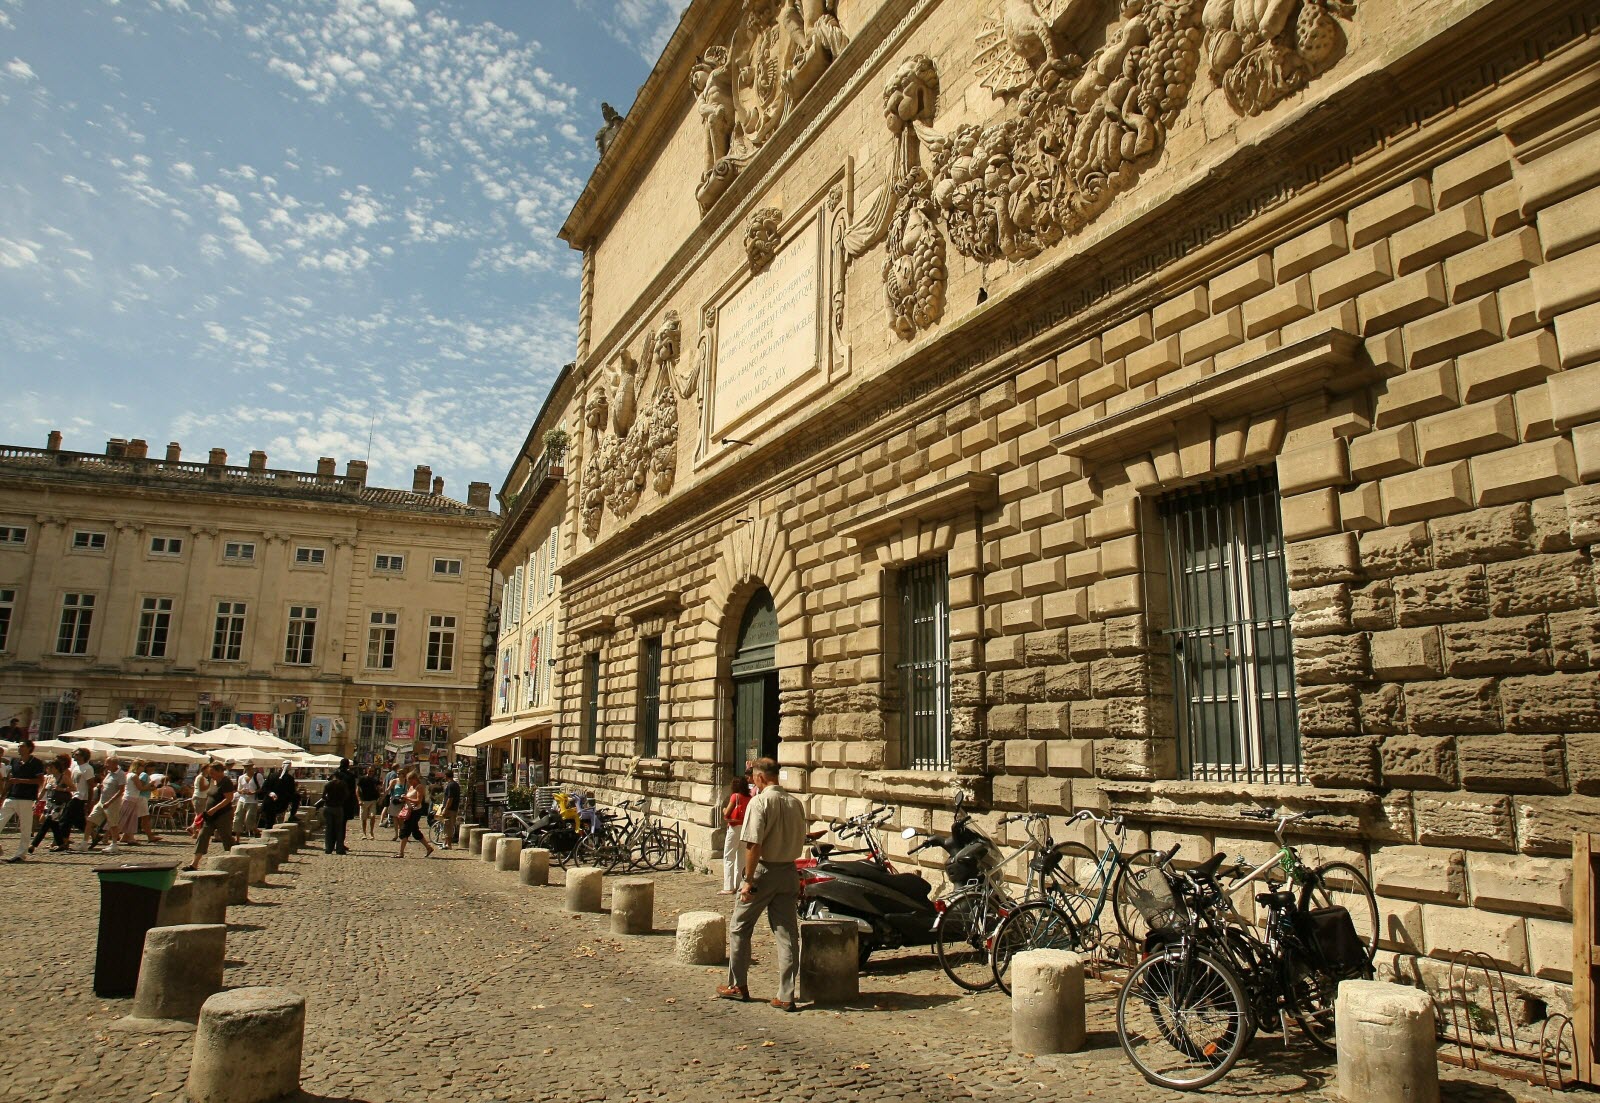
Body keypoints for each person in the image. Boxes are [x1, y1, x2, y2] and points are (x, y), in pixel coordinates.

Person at [717, 757, 806, 1010]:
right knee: (787, 934)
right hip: (789, 871)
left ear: (759, 778)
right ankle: (786, 994)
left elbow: (753, 844)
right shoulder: (795, 803)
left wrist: (748, 880)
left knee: (740, 927)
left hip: (764, 871)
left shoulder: (760, 802)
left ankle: (738, 985)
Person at [0, 739, 46, 862]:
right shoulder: (15, 761)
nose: (19, 748)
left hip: (27, 798)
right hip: (12, 796)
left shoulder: (36, 763)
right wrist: (3, 795)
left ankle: (21, 854)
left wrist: (20, 781)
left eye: (22, 746)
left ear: (29, 748)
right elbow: (10, 780)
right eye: (19, 746)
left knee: (25, 828)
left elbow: (40, 781)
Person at [188, 763, 236, 870]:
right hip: (209, 815)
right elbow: (209, 795)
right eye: (210, 773)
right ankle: (194, 863)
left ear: (220, 771)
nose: (211, 775)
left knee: (226, 837)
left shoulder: (226, 782)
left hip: (222, 814)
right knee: (202, 835)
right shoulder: (212, 781)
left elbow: (228, 798)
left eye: (213, 773)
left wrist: (214, 809)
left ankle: (236, 860)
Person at [29, 758, 71, 853]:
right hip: (49, 803)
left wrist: (61, 789)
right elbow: (43, 790)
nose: (49, 769)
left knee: (47, 822)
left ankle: (33, 844)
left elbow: (73, 788)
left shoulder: (63, 777)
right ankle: (61, 844)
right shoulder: (48, 778)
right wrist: (37, 801)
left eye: (51, 767)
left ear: (57, 768)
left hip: (59, 804)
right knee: (54, 824)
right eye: (48, 767)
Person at [719, 774, 752, 895]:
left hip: (734, 827)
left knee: (729, 856)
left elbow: (727, 813)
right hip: (745, 828)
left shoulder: (735, 796)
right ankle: (738, 885)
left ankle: (728, 886)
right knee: (741, 857)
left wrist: (723, 810)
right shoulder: (749, 797)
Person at [87, 755, 128, 851]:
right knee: (90, 819)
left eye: (107, 763)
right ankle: (85, 842)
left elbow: (121, 790)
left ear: (115, 764)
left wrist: (110, 802)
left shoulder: (121, 774)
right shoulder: (109, 773)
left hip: (112, 803)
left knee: (112, 823)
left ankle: (114, 844)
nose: (105, 765)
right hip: (102, 801)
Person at [396, 770, 435, 858]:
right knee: (415, 831)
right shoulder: (411, 787)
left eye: (410, 780)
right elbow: (409, 797)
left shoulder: (419, 787)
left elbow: (418, 801)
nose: (409, 782)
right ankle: (428, 848)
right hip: (408, 810)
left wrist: (407, 798)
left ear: (415, 779)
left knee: (405, 831)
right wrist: (404, 798)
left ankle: (401, 853)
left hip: (415, 811)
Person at [67, 748, 96, 852]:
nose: (75, 756)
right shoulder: (75, 767)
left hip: (80, 796)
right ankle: (94, 835)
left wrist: (89, 801)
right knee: (77, 819)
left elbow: (90, 786)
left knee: (67, 817)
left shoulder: (87, 768)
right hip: (73, 795)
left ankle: (63, 841)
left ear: (83, 756)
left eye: (77, 754)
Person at [321, 769, 350, 855]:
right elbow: (347, 795)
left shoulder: (328, 784)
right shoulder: (343, 784)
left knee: (329, 828)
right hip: (338, 807)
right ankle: (339, 848)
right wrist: (341, 800)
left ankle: (328, 848)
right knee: (339, 829)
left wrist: (328, 800)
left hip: (328, 806)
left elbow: (323, 796)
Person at [334, 759, 358, 851]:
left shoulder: (336, 774)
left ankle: (333, 843)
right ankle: (340, 843)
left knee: (334, 824)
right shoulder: (350, 776)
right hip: (346, 802)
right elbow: (352, 790)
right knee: (343, 824)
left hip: (335, 802)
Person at [232, 762, 261, 838]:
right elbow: (238, 789)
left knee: (249, 820)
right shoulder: (241, 777)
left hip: (252, 801)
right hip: (242, 799)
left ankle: (256, 830)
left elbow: (262, 788)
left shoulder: (257, 776)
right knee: (237, 819)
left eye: (248, 766)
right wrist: (241, 791)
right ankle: (237, 838)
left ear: (252, 766)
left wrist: (253, 792)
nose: (247, 768)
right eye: (245, 766)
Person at [356, 767, 381, 840]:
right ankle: (364, 833)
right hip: (364, 800)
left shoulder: (375, 780)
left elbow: (379, 788)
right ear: (367, 771)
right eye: (370, 771)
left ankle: (371, 832)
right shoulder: (362, 779)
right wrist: (359, 800)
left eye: (372, 771)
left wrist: (379, 797)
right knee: (364, 818)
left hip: (373, 800)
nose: (371, 772)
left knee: (372, 816)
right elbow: (357, 790)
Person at [438, 772, 461, 850]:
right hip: (453, 808)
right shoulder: (455, 785)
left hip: (450, 809)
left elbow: (450, 798)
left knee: (448, 825)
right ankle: (446, 843)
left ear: (446, 776)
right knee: (447, 825)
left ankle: (449, 844)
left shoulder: (451, 785)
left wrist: (446, 809)